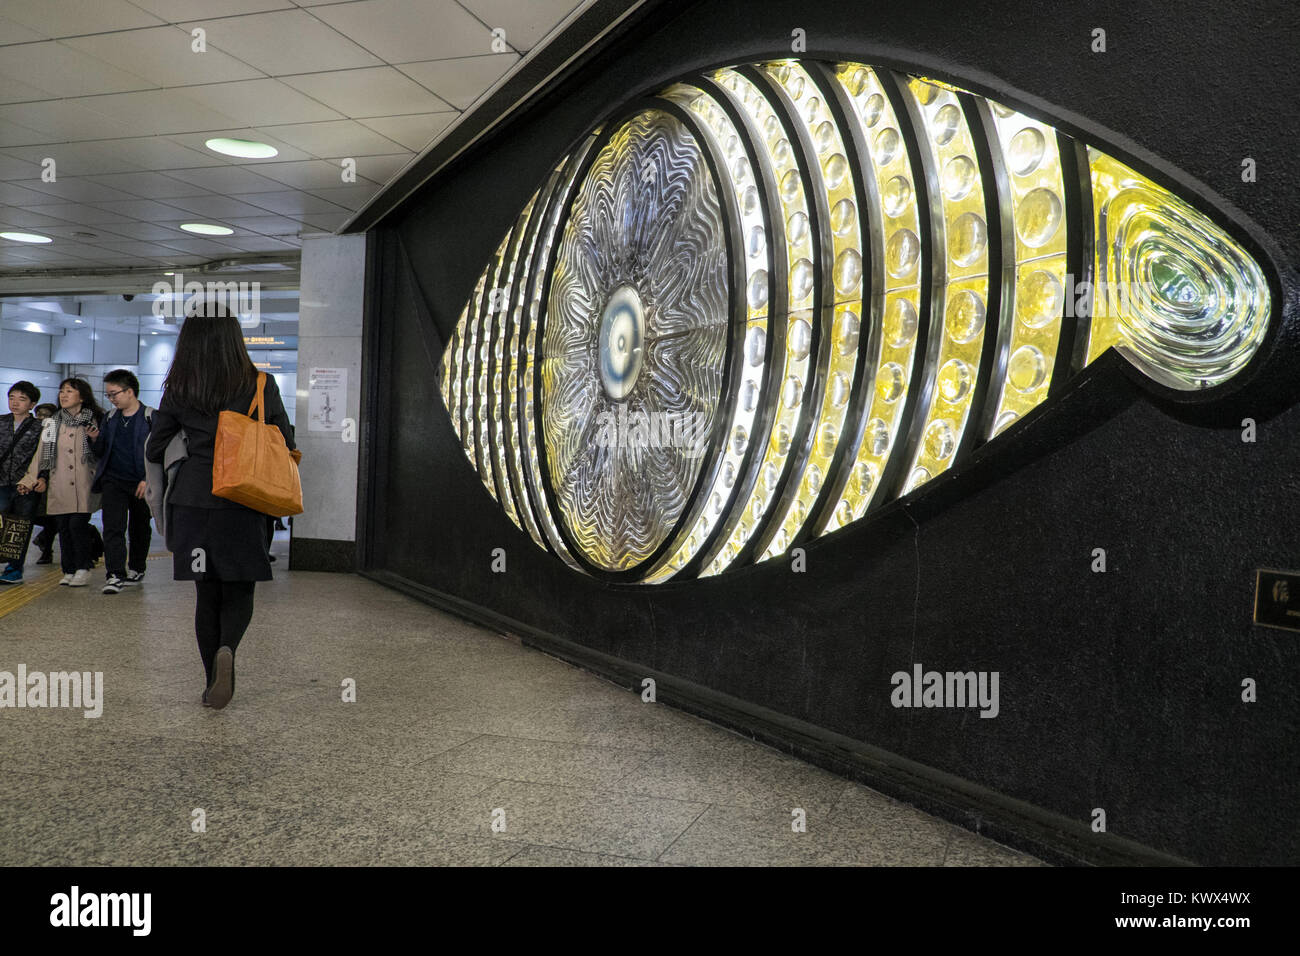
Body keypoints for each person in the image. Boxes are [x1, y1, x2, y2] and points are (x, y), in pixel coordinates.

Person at [146, 307, 296, 710]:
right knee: (238, 588)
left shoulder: (178, 387)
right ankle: (228, 648)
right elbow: (284, 436)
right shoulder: (260, 383)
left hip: (193, 501)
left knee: (205, 593)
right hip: (243, 501)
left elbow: (155, 444)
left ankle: (211, 679)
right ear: (235, 338)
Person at [18, 379, 103, 587]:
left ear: (81, 396)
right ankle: (69, 569)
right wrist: (31, 479)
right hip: (59, 483)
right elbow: (41, 452)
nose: (63, 395)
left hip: (84, 482)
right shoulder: (51, 422)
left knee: (77, 525)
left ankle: (83, 567)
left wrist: (94, 439)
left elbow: (103, 451)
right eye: (61, 391)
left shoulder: (94, 419)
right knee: (63, 527)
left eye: (69, 391)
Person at [89, 370, 154, 594]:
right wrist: (95, 438)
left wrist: (147, 479)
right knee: (113, 527)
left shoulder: (150, 417)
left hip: (140, 482)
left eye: (114, 393)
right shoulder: (109, 418)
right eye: (108, 395)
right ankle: (115, 574)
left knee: (139, 527)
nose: (112, 399)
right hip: (113, 480)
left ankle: (137, 567)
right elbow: (101, 452)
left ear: (130, 391)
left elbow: (158, 454)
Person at [0, 382, 43, 585]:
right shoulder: (1, 422)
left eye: (22, 399)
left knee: (19, 527)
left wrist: (34, 479)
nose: (15, 403)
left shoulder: (40, 427)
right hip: (0, 483)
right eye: (12, 398)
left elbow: (43, 457)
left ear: (32, 403)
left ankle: (14, 569)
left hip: (25, 485)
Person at [27, 404, 57, 564]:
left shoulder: (54, 433)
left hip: (50, 481)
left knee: (50, 518)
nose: (41, 418)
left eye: (45, 415)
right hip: (30, 479)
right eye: (38, 414)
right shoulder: (31, 431)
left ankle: (47, 549)